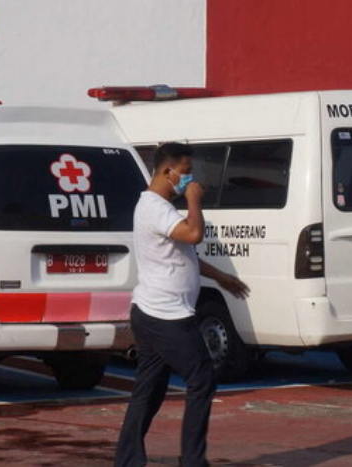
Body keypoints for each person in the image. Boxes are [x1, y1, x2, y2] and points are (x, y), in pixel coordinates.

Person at [115, 143, 249, 467]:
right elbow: (193, 235)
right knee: (202, 378)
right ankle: (192, 459)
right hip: (166, 315)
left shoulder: (157, 208)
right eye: (186, 172)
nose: (190, 179)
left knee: (150, 388)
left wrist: (221, 277)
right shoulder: (155, 207)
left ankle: (128, 459)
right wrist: (193, 199)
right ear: (167, 171)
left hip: (153, 311)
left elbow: (184, 255)